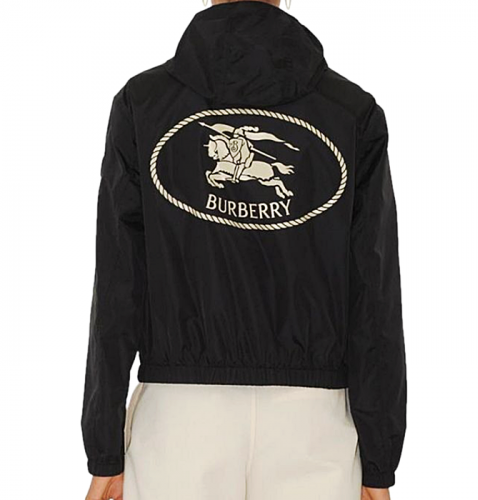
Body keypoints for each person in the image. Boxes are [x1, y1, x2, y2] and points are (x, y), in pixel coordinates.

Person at [81, 0, 407, 499]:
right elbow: (374, 294)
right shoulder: (350, 112)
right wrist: (379, 458)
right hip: (312, 425)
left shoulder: (143, 104)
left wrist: (105, 445)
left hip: (181, 420)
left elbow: (118, 284)